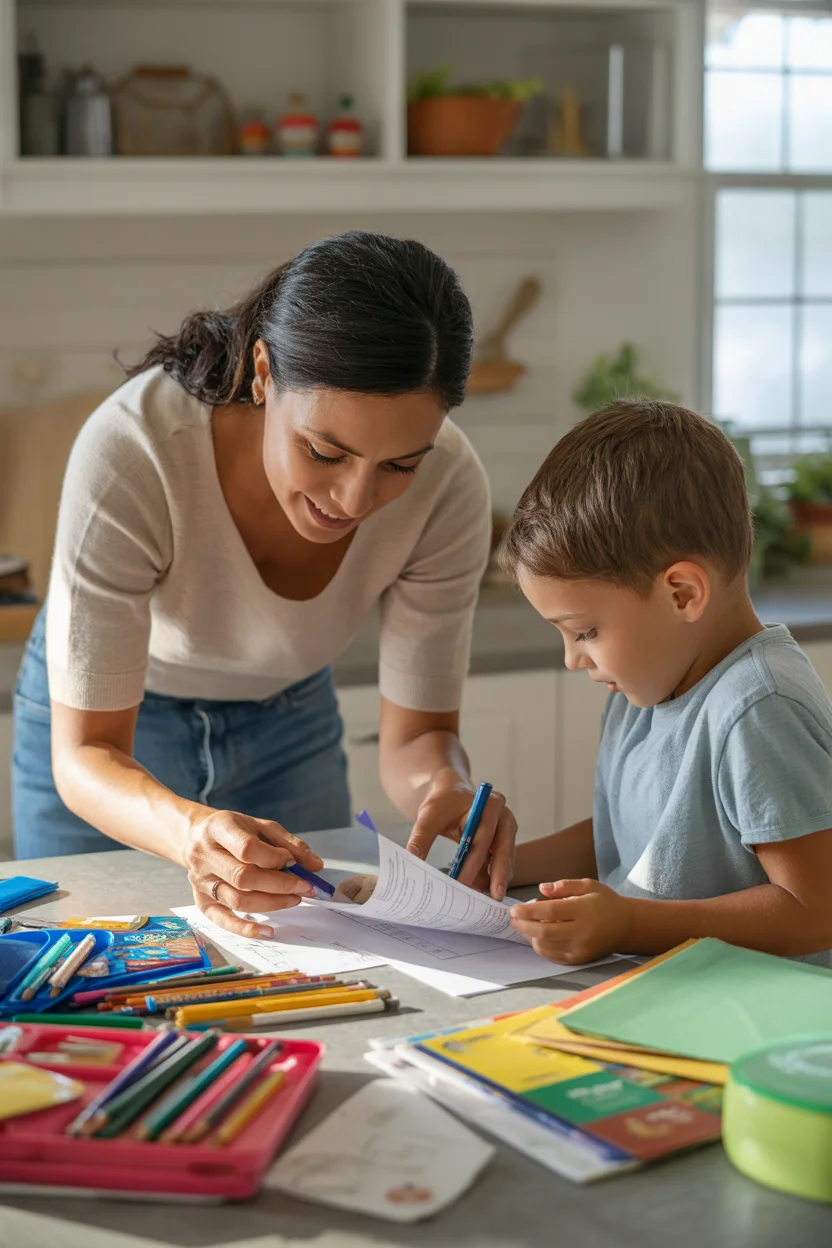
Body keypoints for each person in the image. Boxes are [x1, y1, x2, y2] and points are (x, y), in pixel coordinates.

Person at [12, 230, 518, 939]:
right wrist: (192, 830)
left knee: (311, 962)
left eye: (399, 465)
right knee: (85, 974)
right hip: (109, 744)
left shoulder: (450, 489)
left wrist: (448, 786)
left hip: (290, 718)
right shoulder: (134, 451)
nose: (353, 498)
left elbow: (421, 735)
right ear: (263, 372)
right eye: (324, 451)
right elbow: (86, 753)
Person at [500, 399, 832, 967]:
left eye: (586, 631)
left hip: (756, 1022)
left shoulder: (759, 708)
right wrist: (502, 868)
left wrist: (629, 922)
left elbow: (815, 906)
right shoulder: (645, 688)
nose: (573, 659)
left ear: (682, 593)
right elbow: (639, 840)